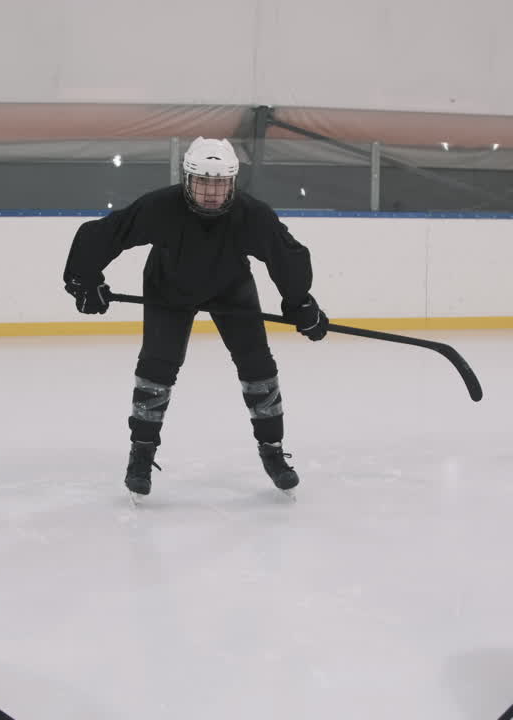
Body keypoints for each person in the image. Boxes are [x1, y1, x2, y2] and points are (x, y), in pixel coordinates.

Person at [62, 137, 329, 499]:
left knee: (258, 365)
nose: (211, 193)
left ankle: (272, 451)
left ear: (232, 183)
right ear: (187, 179)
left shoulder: (252, 215)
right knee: (158, 365)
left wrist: (300, 303)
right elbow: (106, 234)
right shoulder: (161, 207)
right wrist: (84, 280)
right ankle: (141, 453)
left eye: (219, 184)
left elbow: (286, 256)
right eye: (203, 182)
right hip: (168, 286)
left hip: (230, 287)